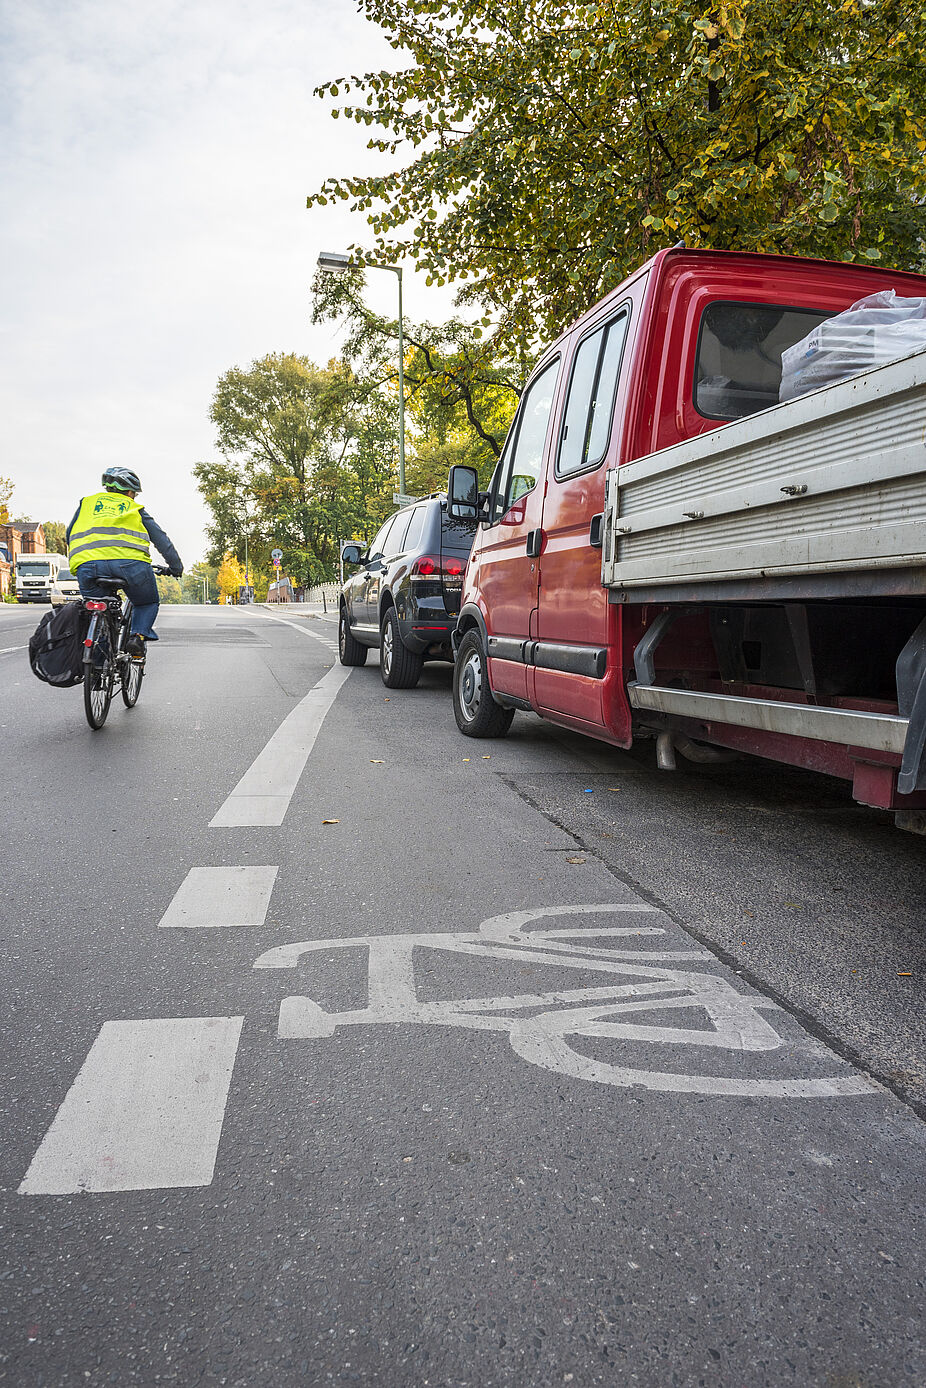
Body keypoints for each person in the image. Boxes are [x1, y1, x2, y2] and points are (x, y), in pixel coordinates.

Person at [66, 467, 183, 656]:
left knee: (95, 609)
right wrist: (176, 567)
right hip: (131, 566)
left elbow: (68, 533)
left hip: (88, 566)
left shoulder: (86, 504)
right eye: (134, 494)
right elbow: (162, 540)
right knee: (146, 602)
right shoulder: (134, 508)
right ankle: (137, 636)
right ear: (130, 492)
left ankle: (97, 667)